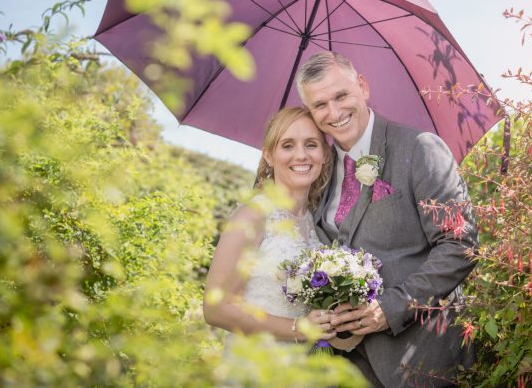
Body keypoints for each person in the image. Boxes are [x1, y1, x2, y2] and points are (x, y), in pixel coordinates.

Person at [297, 52, 478, 387]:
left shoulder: (420, 148)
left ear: (362, 87)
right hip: (348, 366)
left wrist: (392, 307)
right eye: (319, 105)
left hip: (423, 358)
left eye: (341, 96)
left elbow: (460, 244)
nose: (334, 113)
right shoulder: (318, 173)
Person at [203, 107, 336, 344]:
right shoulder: (253, 215)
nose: (301, 155)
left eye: (311, 144)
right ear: (269, 155)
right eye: (287, 145)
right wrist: (298, 328)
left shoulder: (316, 223)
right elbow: (215, 309)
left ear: (325, 154)